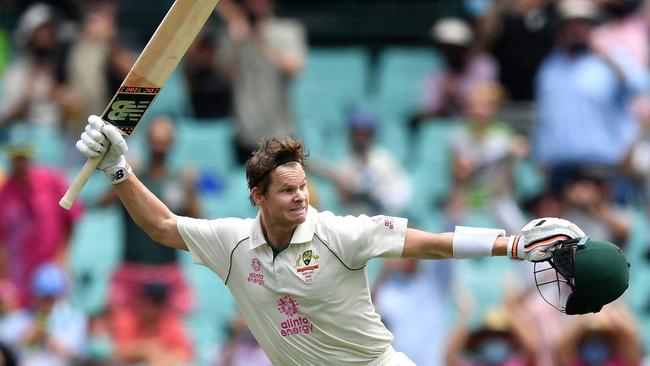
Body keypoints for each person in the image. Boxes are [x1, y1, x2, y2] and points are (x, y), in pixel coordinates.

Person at [74, 113, 619, 366]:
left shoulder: (340, 232)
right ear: (257, 197)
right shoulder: (233, 242)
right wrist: (119, 170)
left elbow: (427, 243)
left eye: (303, 186)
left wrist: (511, 245)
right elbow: (164, 227)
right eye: (286, 190)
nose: (300, 197)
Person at [533, 0, 646, 190]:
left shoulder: (607, 62)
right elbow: (545, 117)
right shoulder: (550, 68)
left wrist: (608, 55)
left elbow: (639, 84)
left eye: (582, 25)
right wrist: (541, 154)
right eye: (570, 25)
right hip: (560, 166)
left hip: (602, 166)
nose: (576, 31)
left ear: (592, 28)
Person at [97, 117, 198, 320]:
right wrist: (121, 174)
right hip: (132, 267)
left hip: (167, 268)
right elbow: (103, 203)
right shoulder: (132, 175)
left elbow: (197, 220)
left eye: (164, 141)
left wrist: (191, 190)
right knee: (122, 325)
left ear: (172, 143)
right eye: (155, 140)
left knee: (172, 330)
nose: (159, 146)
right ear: (147, 141)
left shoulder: (179, 180)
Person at [215, 0, 307, 164]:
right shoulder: (233, 33)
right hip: (245, 132)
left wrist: (262, 39)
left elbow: (294, 68)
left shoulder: (288, 29)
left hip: (281, 132)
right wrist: (238, 43)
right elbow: (224, 76)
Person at [0, 135, 82, 308]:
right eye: (17, 158)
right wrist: (6, 280)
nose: (20, 163)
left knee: (56, 316)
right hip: (21, 271)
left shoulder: (52, 182)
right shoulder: (5, 193)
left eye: (24, 158)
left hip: (51, 266)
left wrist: (62, 257)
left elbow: (72, 219)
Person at [0, 262, 87, 366]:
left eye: (51, 298)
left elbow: (77, 353)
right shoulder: (22, 318)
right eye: (43, 297)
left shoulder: (73, 318)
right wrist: (24, 336)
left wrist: (47, 338)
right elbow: (4, 341)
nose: (47, 303)